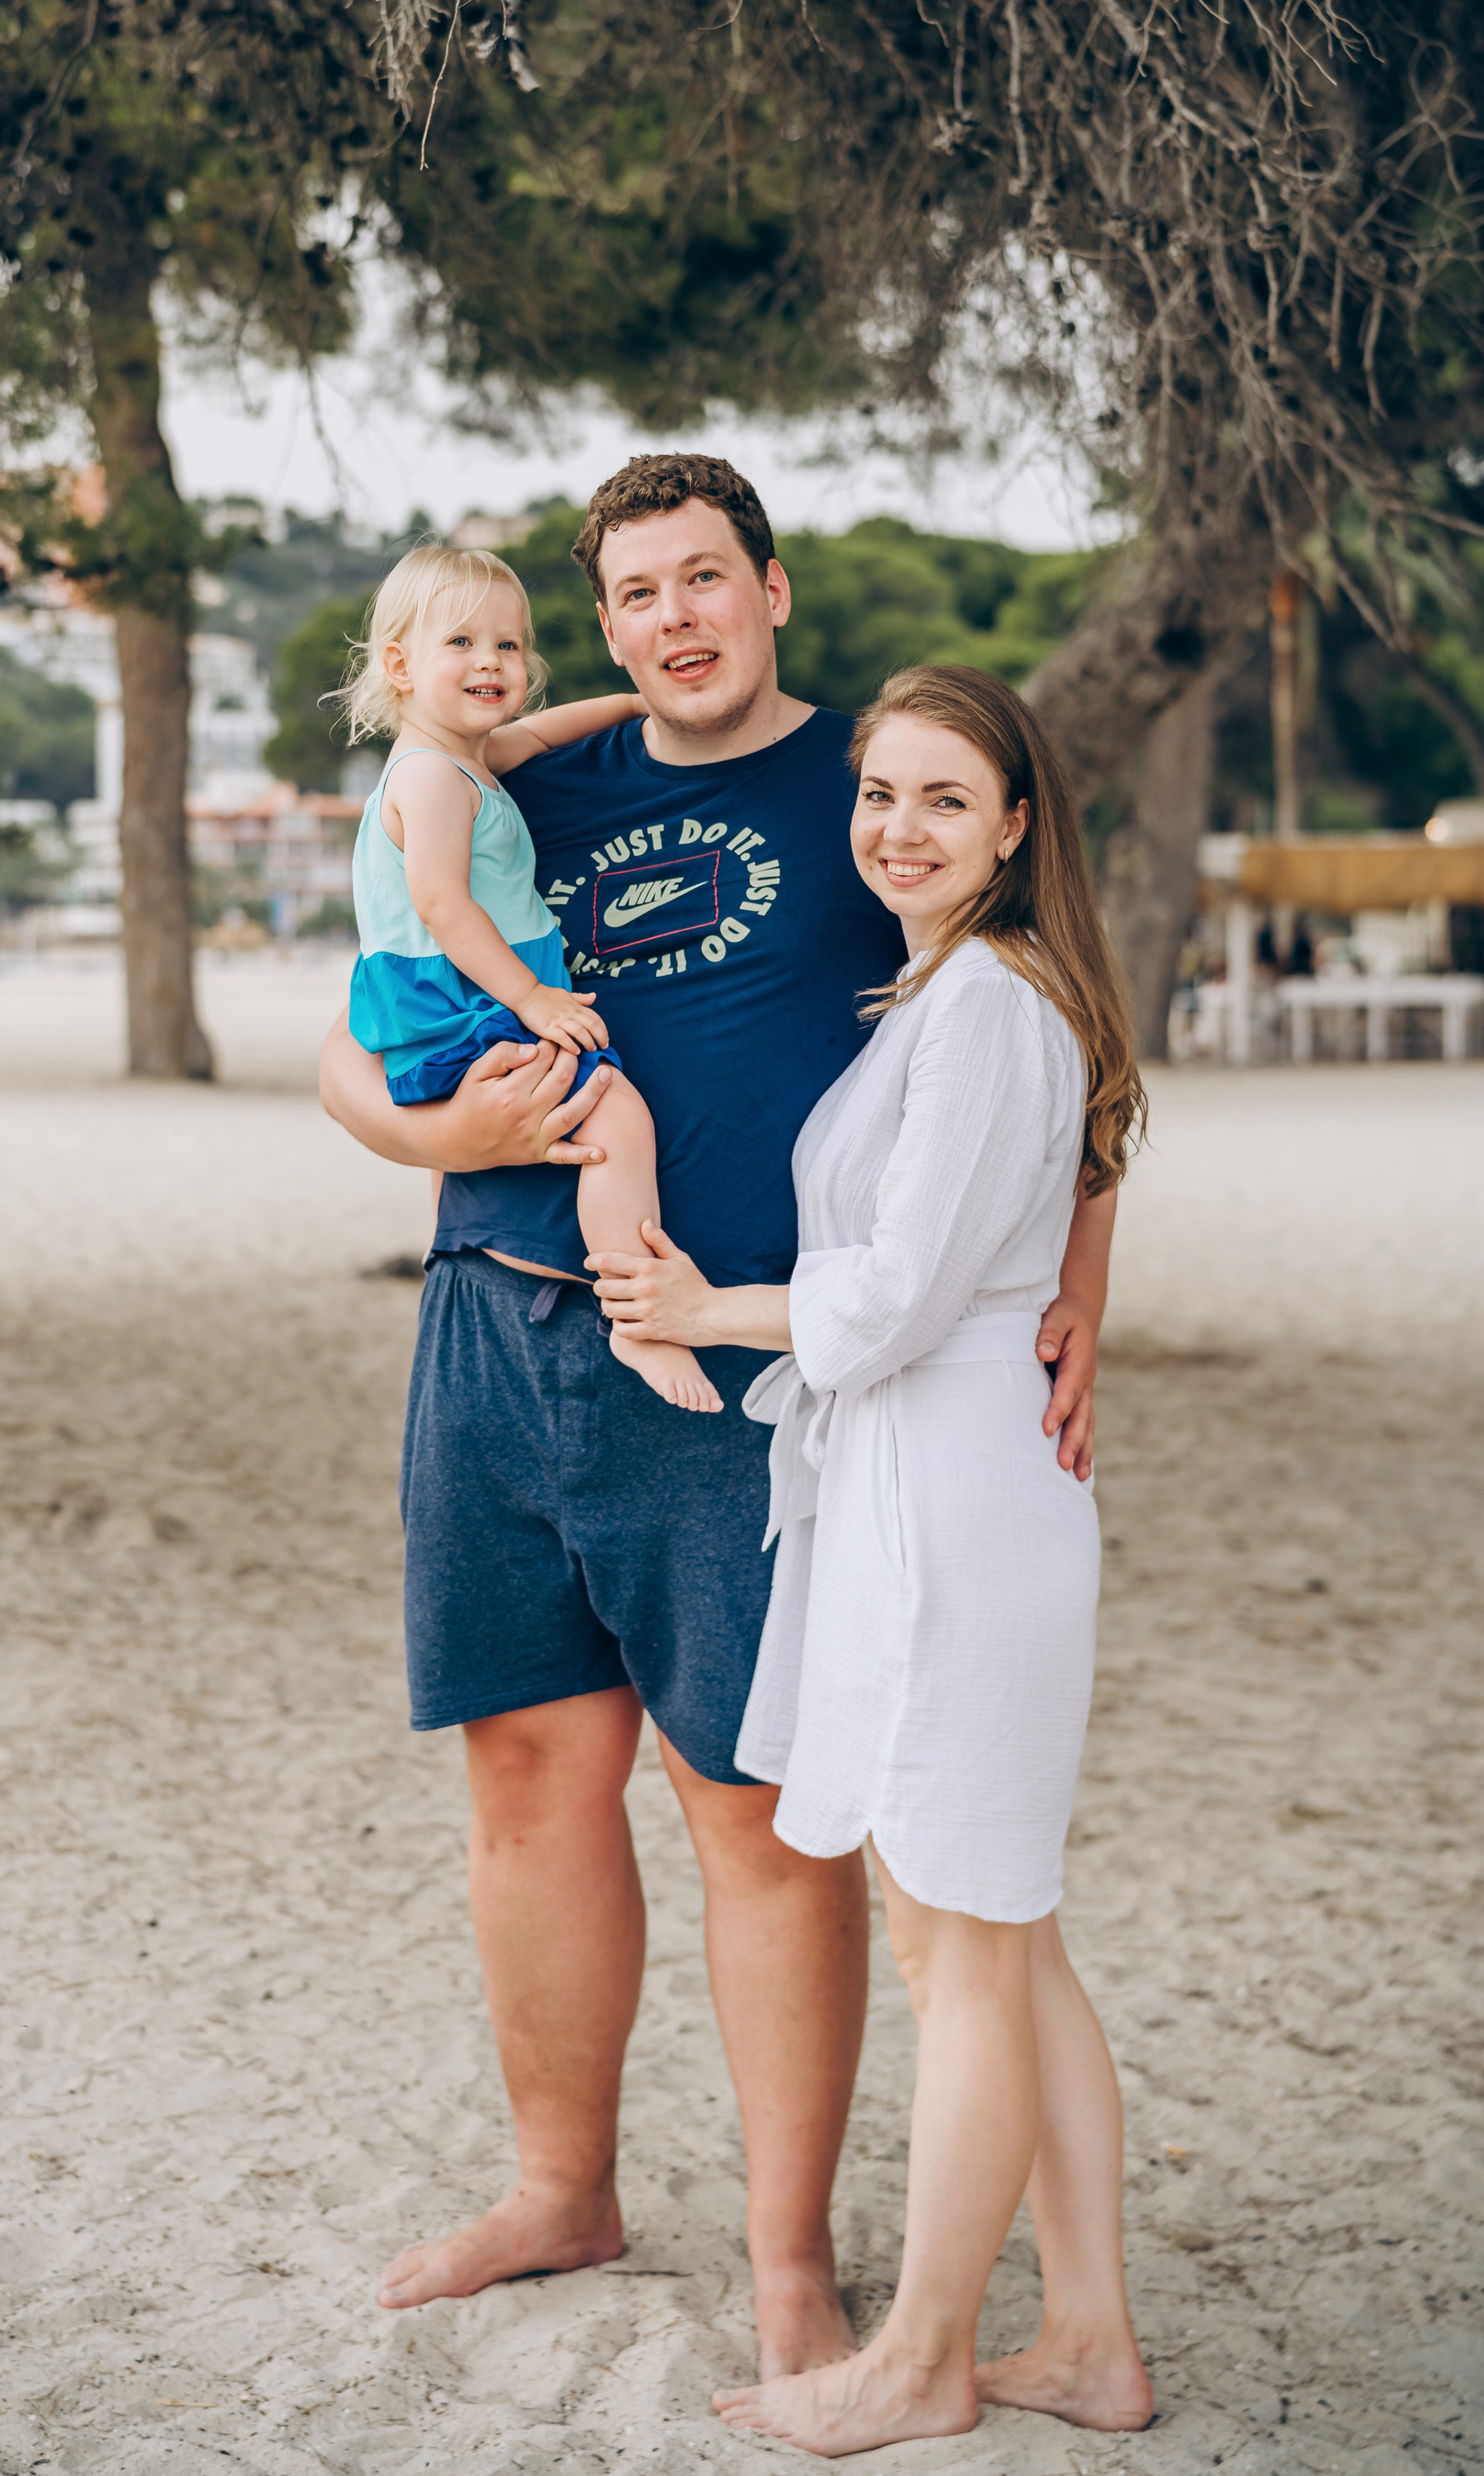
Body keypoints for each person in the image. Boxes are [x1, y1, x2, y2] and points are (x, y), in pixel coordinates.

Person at [318, 455, 1115, 2382]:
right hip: (495, 1322)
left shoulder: (875, 786)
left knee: (753, 1805)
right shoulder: (515, 775)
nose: (668, 620)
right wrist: (438, 1133)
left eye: (701, 580)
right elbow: (346, 1037)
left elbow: (1052, 1020)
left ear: (768, 588)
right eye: (631, 595)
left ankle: (781, 2260)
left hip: (743, 1362)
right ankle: (559, 2185)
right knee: (522, 1769)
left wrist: (1082, 1287)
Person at [591, 662, 1154, 2452]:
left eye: (938, 797)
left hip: (956, 1495)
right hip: (937, 1479)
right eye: (874, 796)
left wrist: (706, 1308)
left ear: (1011, 824)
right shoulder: (948, 995)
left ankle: (919, 2354)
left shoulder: (984, 1003)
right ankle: (1084, 2339)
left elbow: (897, 1296)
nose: (895, 829)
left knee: (960, 1952)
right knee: (1007, 1935)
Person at [340, 537, 721, 1411]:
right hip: (462, 1002)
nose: (492, 662)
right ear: (399, 664)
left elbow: (543, 733)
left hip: (455, 1001)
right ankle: (638, 1318)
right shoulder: (435, 779)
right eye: (463, 644)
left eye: (508, 645)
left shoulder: (465, 758)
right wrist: (533, 998)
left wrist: (636, 700)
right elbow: (441, 903)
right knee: (617, 1117)